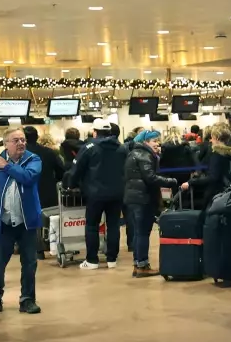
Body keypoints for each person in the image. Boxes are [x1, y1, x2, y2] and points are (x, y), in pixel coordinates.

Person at [0, 128, 42, 315]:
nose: (21, 143)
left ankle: (27, 300)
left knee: (30, 263)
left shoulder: (34, 160)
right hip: (3, 222)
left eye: (23, 140)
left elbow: (28, 178)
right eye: (15, 140)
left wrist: (6, 166)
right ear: (6, 143)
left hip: (27, 222)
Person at [124, 130, 185, 277]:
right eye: (154, 141)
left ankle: (138, 264)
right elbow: (150, 177)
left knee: (138, 233)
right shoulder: (145, 155)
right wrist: (171, 181)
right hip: (143, 198)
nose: (157, 144)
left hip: (133, 197)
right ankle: (143, 265)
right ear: (145, 142)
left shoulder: (133, 153)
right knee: (143, 233)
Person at [67, 118, 126, 270]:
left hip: (95, 193)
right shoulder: (121, 148)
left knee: (92, 225)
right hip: (117, 193)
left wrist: (71, 185)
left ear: (94, 132)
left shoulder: (89, 147)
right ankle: (112, 259)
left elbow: (76, 169)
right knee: (113, 225)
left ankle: (92, 260)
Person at [24, 126, 65, 211]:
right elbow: (61, 172)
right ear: (37, 137)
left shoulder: (19, 154)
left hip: (26, 196)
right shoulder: (49, 152)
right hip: (48, 195)